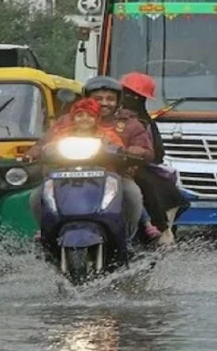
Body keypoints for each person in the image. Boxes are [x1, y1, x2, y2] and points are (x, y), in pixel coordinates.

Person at [24, 76, 148, 239]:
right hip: (65, 174)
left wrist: (128, 152)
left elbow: (142, 149)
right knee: (36, 197)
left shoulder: (125, 125)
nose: (104, 103)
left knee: (132, 195)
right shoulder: (65, 123)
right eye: (98, 98)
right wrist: (32, 154)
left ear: (118, 101)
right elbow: (45, 143)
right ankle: (46, 232)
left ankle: (127, 235)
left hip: (111, 174)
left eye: (110, 99)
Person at [117, 72, 190, 245]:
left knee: (164, 191)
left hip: (138, 164)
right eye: (127, 94)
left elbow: (156, 152)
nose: (131, 99)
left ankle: (160, 229)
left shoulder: (142, 122)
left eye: (136, 96)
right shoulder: (101, 117)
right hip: (106, 163)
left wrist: (137, 154)